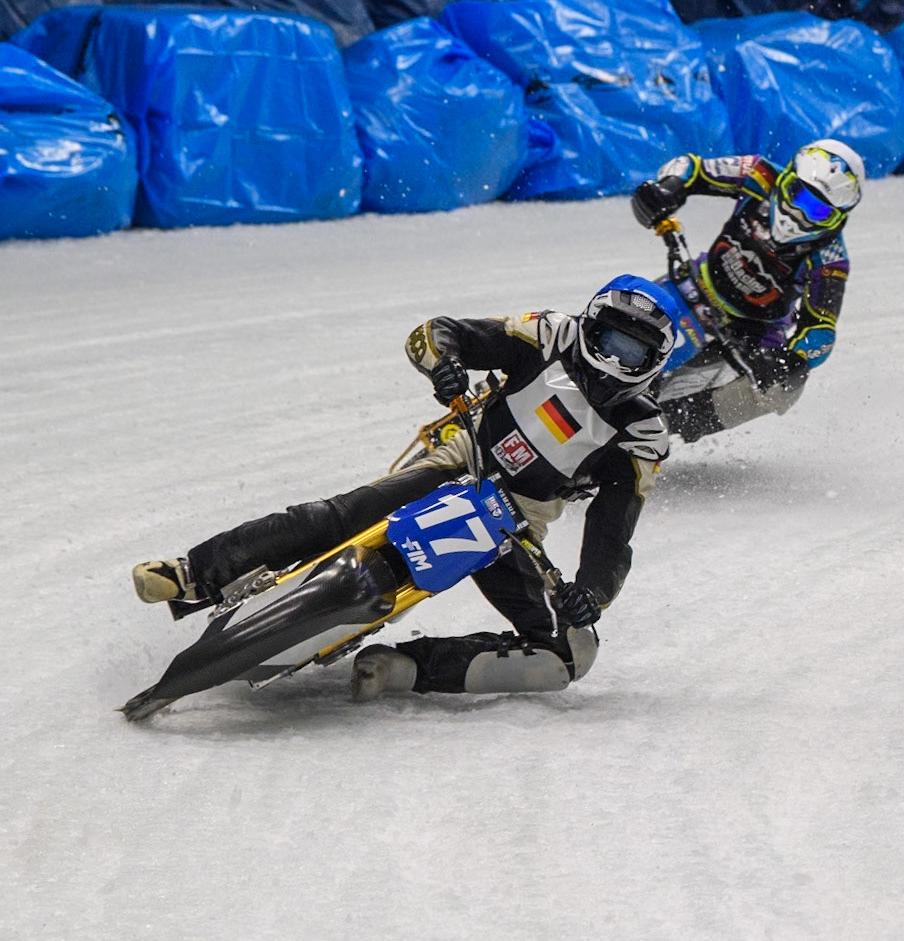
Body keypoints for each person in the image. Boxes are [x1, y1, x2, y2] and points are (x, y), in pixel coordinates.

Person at [130, 275, 678, 701]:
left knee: (571, 655)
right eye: (609, 340)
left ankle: (405, 670)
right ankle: (190, 573)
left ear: (654, 363)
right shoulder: (547, 331)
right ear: (589, 324)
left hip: (520, 519)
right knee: (343, 514)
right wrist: (447, 366)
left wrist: (594, 592)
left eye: (633, 353)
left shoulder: (644, 434)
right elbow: (438, 332)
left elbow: (614, 526)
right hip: (464, 453)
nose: (614, 361)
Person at [629, 139, 864, 442]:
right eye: (797, 195)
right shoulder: (760, 173)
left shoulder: (830, 258)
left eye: (817, 210)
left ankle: (673, 422)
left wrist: (791, 360)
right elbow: (692, 167)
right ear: (787, 178)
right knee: (631, 318)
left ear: (837, 219)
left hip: (755, 336)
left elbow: (820, 330)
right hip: (694, 287)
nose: (798, 214)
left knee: (785, 389)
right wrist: (667, 189)